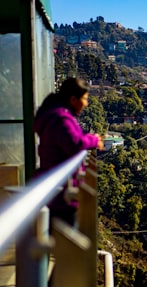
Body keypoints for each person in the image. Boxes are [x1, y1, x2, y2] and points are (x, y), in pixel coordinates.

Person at [33, 77, 104, 226]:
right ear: (73, 99)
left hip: (56, 189)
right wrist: (94, 140)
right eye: (84, 99)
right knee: (64, 240)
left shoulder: (56, 115)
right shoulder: (61, 119)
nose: (86, 104)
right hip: (61, 195)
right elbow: (75, 143)